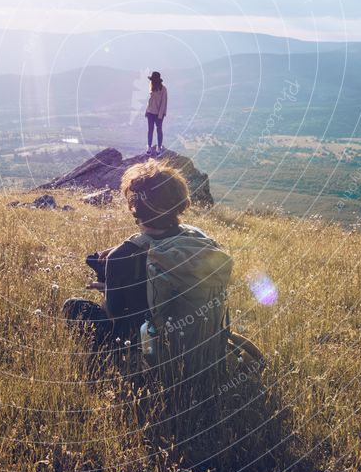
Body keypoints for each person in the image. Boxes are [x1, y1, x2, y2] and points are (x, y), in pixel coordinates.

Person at [62, 160, 233, 389]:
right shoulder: (198, 240)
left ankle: (103, 369)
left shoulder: (121, 256)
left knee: (73, 306)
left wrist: (109, 285)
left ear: (135, 207)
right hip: (200, 349)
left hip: (146, 357)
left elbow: (112, 314)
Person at [145, 71, 167, 156]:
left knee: (159, 130)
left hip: (158, 114)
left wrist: (160, 115)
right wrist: (147, 111)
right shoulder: (152, 87)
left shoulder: (163, 89)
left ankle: (159, 147)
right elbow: (150, 101)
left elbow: (163, 102)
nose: (151, 81)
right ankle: (149, 147)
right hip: (150, 112)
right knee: (150, 130)